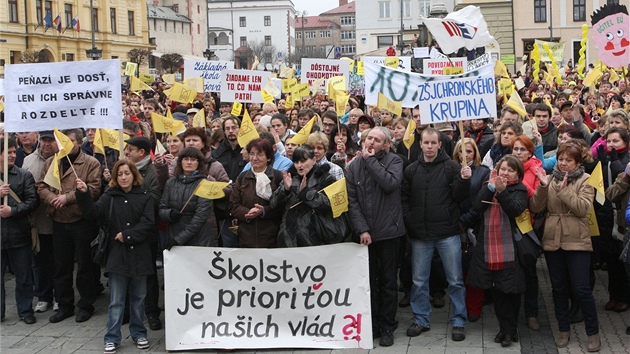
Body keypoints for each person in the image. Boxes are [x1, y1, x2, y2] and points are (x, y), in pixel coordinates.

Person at [76, 160, 154, 354]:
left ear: (134, 175)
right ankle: (112, 337)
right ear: (114, 177)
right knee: (117, 300)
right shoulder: (109, 196)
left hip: (140, 255)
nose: (124, 177)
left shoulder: (145, 197)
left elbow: (148, 222)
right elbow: (92, 213)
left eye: (127, 173)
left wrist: (127, 236)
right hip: (117, 255)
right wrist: (84, 193)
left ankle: (139, 333)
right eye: (120, 174)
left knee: (138, 298)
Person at [402, 128, 471, 342]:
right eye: (426, 143)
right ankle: (421, 318)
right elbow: (404, 197)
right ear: (420, 144)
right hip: (420, 234)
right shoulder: (412, 170)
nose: (430, 147)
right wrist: (410, 219)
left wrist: (464, 179)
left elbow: (460, 197)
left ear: (440, 144)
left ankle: (459, 320)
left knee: (456, 280)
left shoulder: (451, 167)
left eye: (434, 143)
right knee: (419, 280)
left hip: (447, 233)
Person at [530, 142, 600, 352]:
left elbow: (583, 208)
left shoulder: (586, 180)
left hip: (577, 239)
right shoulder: (550, 179)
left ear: (578, 162)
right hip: (553, 239)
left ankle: (593, 333)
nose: (564, 163)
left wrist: (564, 192)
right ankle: (563, 329)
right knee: (558, 288)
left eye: (569, 160)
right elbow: (536, 207)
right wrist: (543, 187)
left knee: (581, 289)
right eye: (561, 159)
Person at [347, 127, 405, 347]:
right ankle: (373, 325)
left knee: (389, 281)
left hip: (389, 233)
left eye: (377, 140)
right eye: (369, 137)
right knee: (370, 282)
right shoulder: (353, 167)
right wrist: (361, 229)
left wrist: (371, 162)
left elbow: (390, 183)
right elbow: (352, 201)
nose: (370, 142)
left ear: (386, 145)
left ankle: (388, 325)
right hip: (366, 235)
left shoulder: (395, 161)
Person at [37, 129, 103, 323]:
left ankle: (85, 304)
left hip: (81, 221)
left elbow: (94, 189)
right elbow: (41, 186)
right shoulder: (52, 162)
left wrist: (68, 197)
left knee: (85, 266)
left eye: (70, 141)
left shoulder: (91, 162)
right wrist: (52, 199)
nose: (65, 145)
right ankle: (64, 305)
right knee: (61, 266)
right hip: (58, 220)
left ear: (80, 143)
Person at [468, 155, 528, 347]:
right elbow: (477, 206)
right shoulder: (489, 185)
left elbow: (515, 210)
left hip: (511, 247)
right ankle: (505, 329)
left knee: (511, 289)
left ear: (517, 173)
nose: (505, 173)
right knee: (498, 290)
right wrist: (492, 188)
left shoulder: (519, 189)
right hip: (489, 246)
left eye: (510, 170)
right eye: (503, 169)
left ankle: (510, 330)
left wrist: (502, 192)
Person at [123, 137, 163, 331]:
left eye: (130, 149)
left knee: (148, 273)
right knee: (126, 271)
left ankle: (152, 312)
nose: (126, 152)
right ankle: (129, 310)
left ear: (142, 152)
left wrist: (132, 199)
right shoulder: (123, 169)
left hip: (146, 230)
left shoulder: (153, 172)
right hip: (125, 229)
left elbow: (154, 200)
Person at [0, 138, 40, 324]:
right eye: (7, 152)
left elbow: (33, 202)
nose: (12, 155)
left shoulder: (24, 175)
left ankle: (25, 310)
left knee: (24, 277)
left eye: (13, 152)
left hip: (19, 234)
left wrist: (13, 211)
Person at [270, 145, 340, 247]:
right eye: (296, 162)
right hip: (288, 238)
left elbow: (330, 205)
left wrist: (306, 193)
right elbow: (273, 203)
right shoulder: (290, 177)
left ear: (313, 160)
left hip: (315, 238)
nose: (299, 165)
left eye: (303, 161)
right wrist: (285, 190)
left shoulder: (326, 178)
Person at [452, 138, 490, 323]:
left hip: (476, 226)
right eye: (462, 151)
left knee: (475, 270)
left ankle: (474, 307)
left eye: (469, 151)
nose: (465, 155)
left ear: (475, 153)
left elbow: (483, 200)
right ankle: (459, 308)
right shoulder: (452, 170)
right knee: (457, 271)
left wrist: (466, 221)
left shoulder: (483, 172)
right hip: (454, 227)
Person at [22, 131, 58, 314]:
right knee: (40, 261)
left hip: (60, 219)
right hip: (38, 221)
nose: (47, 144)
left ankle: (59, 296)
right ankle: (44, 296)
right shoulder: (28, 161)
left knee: (59, 261)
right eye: (44, 140)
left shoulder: (64, 159)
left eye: (51, 140)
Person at [229, 138, 283, 248]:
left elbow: (282, 206)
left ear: (268, 157)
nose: (254, 158)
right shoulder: (242, 177)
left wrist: (263, 211)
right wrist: (248, 212)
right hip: (246, 236)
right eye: (252, 154)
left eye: (259, 154)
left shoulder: (277, 177)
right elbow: (233, 205)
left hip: (271, 236)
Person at [159, 147, 215, 248]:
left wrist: (179, 239)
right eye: (186, 159)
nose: (189, 162)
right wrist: (170, 214)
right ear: (180, 162)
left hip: (198, 240)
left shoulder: (205, 184)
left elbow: (200, 217)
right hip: (173, 234)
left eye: (193, 159)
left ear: (199, 163)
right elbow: (162, 208)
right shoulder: (170, 183)